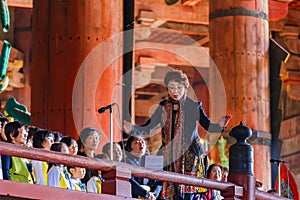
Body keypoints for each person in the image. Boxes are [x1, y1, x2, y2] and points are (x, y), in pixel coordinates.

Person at [123, 69, 232, 199]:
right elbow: (148, 128)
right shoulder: (163, 107)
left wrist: (220, 125)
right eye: (172, 88)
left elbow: (208, 125)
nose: (175, 92)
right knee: (168, 189)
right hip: (168, 155)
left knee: (188, 192)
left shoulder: (194, 106)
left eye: (179, 88)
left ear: (185, 88)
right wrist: (133, 129)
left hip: (190, 155)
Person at [123, 135, 162, 200]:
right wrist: (145, 193)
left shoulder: (151, 161)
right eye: (137, 142)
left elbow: (158, 182)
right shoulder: (126, 161)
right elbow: (130, 181)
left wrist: (154, 194)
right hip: (134, 195)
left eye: (142, 142)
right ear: (130, 147)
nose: (141, 144)